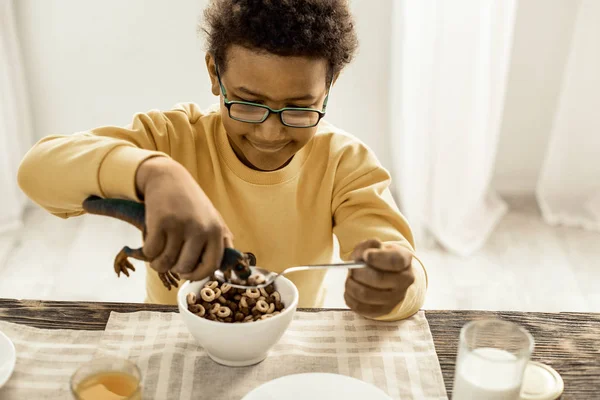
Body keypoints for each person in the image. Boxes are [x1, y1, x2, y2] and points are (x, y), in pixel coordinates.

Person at [17, 0, 427, 321]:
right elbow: (37, 171)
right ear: (214, 73)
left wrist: (395, 286)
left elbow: (402, 267)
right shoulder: (169, 139)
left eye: (300, 108)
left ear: (329, 85)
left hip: (288, 341)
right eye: (248, 103)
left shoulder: (345, 163)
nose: (270, 133)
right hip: (171, 333)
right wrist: (154, 172)